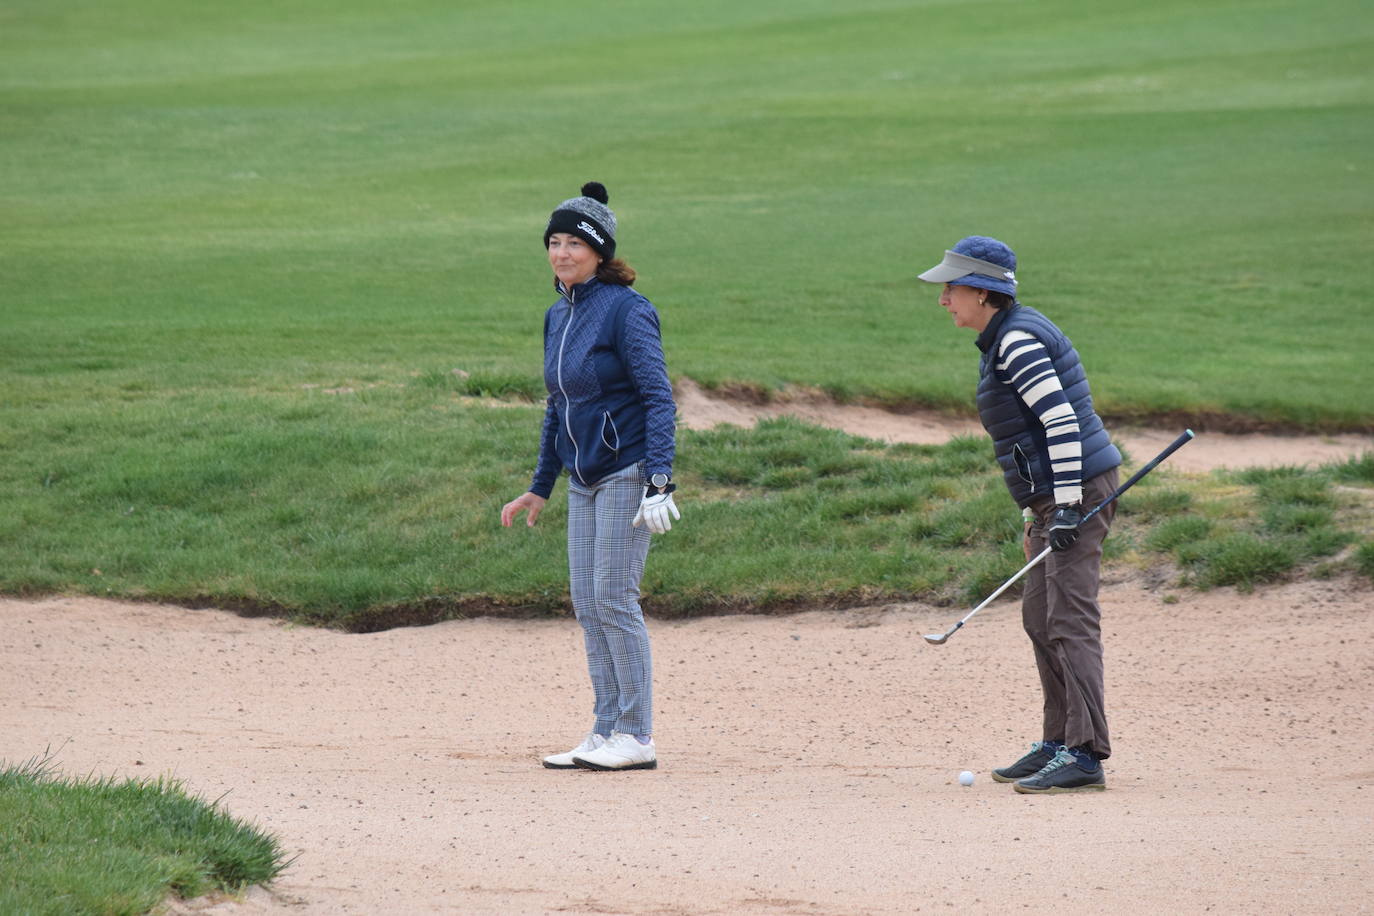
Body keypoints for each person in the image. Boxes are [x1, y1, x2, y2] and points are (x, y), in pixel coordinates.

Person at [918, 236, 1122, 794]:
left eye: (950, 289)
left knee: (1070, 619)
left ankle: (1086, 753)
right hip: (1053, 497)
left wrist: (1067, 508)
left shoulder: (1020, 342)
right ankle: (1058, 741)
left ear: (983, 293)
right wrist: (1039, 512)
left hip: (1075, 489)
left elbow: (1060, 423)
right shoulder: (1003, 338)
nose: (943, 300)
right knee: (1039, 616)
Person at [501, 182, 679, 772]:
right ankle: (605, 731)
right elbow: (558, 406)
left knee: (614, 598)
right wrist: (540, 484)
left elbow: (658, 396)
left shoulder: (628, 310)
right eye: (554, 242)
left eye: (575, 243)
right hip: (582, 477)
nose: (562, 253)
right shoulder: (558, 313)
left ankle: (638, 735)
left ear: (600, 252)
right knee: (586, 600)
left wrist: (659, 479)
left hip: (627, 469)